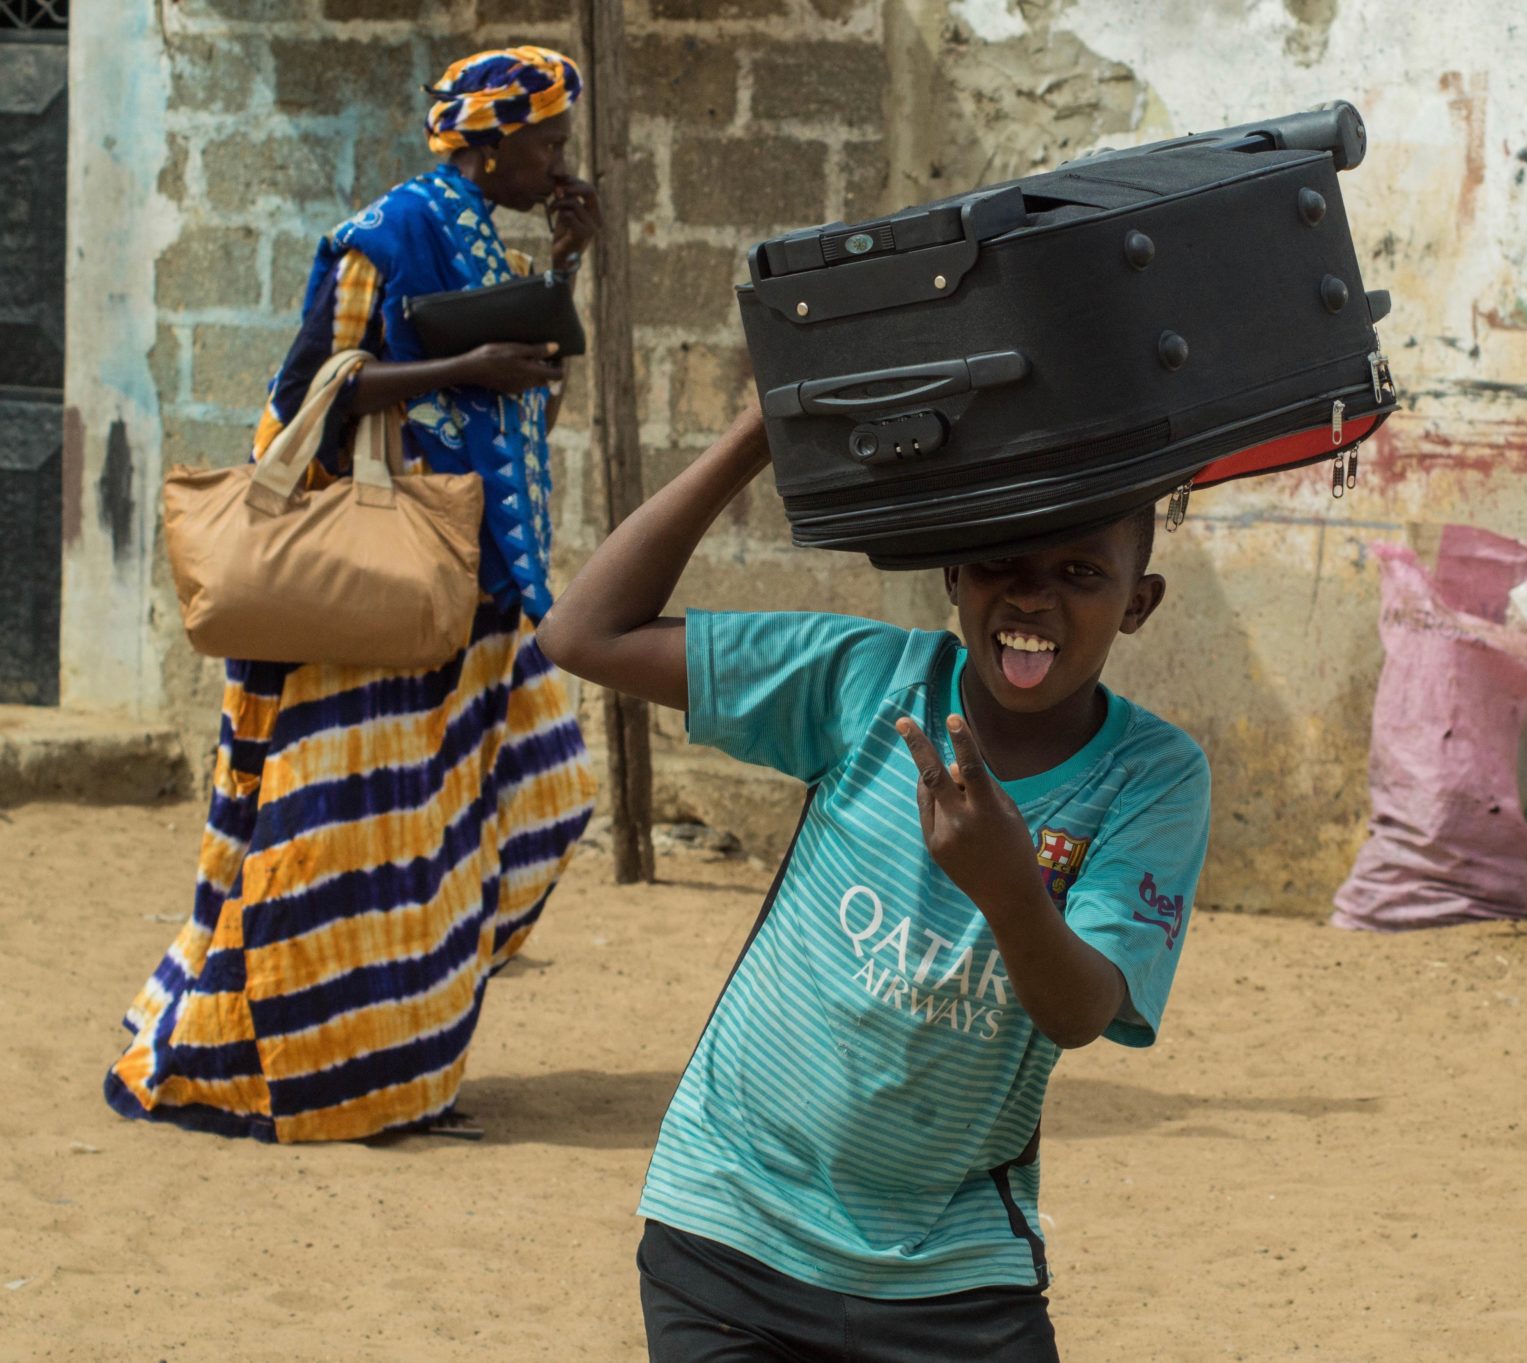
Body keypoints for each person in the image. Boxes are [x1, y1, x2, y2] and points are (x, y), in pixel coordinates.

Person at [537, 404, 1212, 1361]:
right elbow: (581, 633)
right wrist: (755, 436)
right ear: (951, 573)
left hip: (952, 1275)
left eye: (1080, 574)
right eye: (999, 563)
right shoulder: (869, 683)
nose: (1032, 600)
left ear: (1137, 603)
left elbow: (1081, 1009)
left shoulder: (1152, 776)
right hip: (730, 1229)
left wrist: (1010, 890)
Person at [105, 47, 600, 1143]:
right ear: (485, 140)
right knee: (349, 845)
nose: (557, 161)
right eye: (547, 144)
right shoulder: (383, 236)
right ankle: (294, 1075)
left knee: (467, 826)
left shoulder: (476, 230)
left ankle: (404, 1071)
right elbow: (306, 395)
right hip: (377, 599)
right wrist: (456, 374)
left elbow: (521, 394)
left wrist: (564, 264)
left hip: (477, 590)